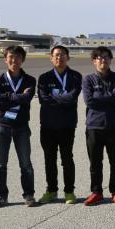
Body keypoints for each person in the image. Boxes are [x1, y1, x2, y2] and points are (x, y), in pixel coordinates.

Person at [0, 46, 37, 208]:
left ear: (23, 60)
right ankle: (0, 196)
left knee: (26, 164)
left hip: (21, 127)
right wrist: (19, 96)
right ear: (5, 59)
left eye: (17, 57)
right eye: (10, 57)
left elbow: (27, 98)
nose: (14, 60)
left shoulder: (30, 80)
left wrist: (8, 97)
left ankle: (29, 195)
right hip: (2, 126)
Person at [36, 45, 82, 205]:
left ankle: (69, 191)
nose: (59, 58)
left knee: (67, 159)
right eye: (56, 55)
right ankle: (51, 190)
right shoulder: (44, 78)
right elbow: (43, 100)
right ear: (51, 58)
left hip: (67, 125)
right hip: (48, 125)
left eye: (62, 55)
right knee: (49, 159)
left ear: (67, 57)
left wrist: (55, 96)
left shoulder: (75, 76)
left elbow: (72, 98)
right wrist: (63, 97)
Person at [82, 46, 115, 206]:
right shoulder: (88, 79)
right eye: (99, 57)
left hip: (114, 126)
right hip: (94, 126)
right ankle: (96, 192)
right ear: (94, 61)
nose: (103, 60)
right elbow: (89, 101)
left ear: (110, 60)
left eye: (106, 57)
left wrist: (99, 96)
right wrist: (109, 97)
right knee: (95, 162)